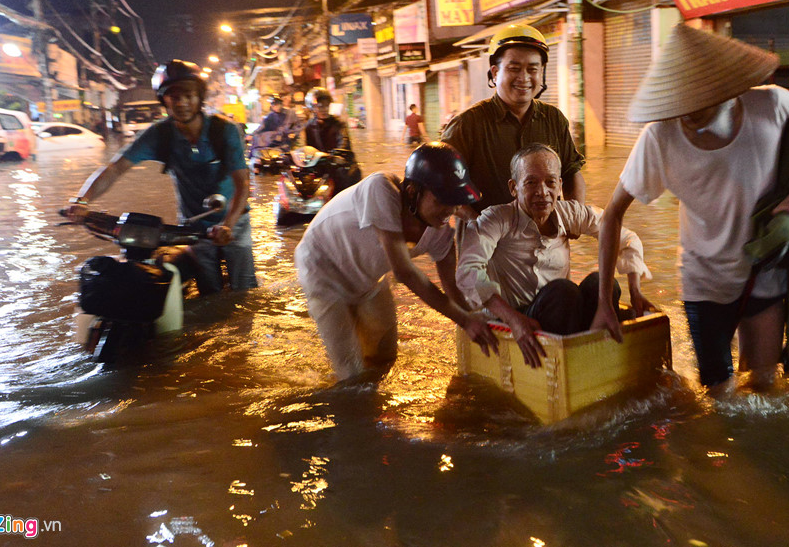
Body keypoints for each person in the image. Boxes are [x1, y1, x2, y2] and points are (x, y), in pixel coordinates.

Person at [592, 24, 789, 392]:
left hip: (763, 272)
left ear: (724, 88)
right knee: (719, 396)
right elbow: (612, 214)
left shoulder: (772, 106)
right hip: (704, 282)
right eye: (678, 98)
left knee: (763, 387)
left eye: (696, 97)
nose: (686, 109)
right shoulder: (659, 138)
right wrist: (604, 302)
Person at [295, 141, 499, 381]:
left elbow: (452, 289)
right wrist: (465, 320)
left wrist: (477, 319)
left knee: (385, 356)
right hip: (321, 269)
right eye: (441, 200)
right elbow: (404, 272)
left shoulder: (441, 233)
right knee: (352, 375)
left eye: (454, 202)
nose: (449, 211)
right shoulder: (380, 188)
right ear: (412, 191)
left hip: (368, 280)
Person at [65, 59, 257, 296]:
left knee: (245, 292)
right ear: (164, 101)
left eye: (189, 95)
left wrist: (227, 225)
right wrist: (82, 201)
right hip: (193, 228)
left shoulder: (224, 130)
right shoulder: (159, 135)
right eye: (174, 97)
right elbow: (115, 169)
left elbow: (242, 183)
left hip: (234, 222)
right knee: (210, 294)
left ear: (199, 97)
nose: (182, 103)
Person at [457, 144, 653, 368]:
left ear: (560, 185)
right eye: (531, 183)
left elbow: (626, 237)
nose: (542, 192)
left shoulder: (570, 213)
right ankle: (575, 362)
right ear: (513, 187)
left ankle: (592, 352)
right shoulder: (496, 219)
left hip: (564, 315)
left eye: (550, 182)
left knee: (601, 282)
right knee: (563, 291)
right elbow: (467, 270)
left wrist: (635, 290)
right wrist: (512, 318)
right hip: (516, 317)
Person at [441, 24, 586, 217]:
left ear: (541, 72)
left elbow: (571, 173)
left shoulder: (554, 119)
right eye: (514, 69)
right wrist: (479, 224)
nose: (524, 78)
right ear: (495, 73)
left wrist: (574, 218)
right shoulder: (466, 125)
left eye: (532, 69)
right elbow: (443, 186)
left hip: (546, 234)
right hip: (484, 235)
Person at [303, 86, 352, 153]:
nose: (325, 109)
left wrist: (337, 154)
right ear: (313, 108)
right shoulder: (309, 126)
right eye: (320, 106)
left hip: (336, 158)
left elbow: (344, 144)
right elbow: (308, 149)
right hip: (318, 159)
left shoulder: (338, 124)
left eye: (327, 105)